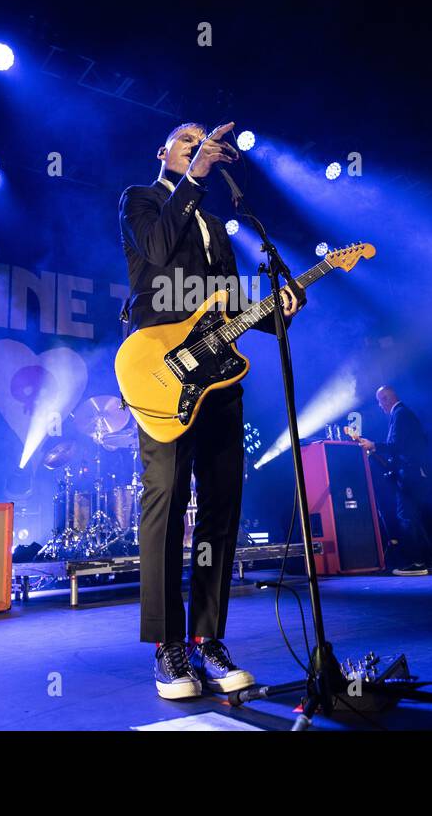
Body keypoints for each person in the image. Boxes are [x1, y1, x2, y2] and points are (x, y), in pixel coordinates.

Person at [119, 120, 303, 699]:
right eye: (186, 140)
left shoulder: (219, 227)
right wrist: (193, 179)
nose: (198, 148)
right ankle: (167, 646)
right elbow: (155, 250)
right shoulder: (142, 200)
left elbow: (227, 306)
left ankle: (207, 638)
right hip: (161, 369)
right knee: (166, 503)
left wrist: (280, 311)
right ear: (163, 152)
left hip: (219, 379)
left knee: (221, 509)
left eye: (204, 142)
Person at [356, 385, 432, 576]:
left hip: (410, 473)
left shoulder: (400, 414)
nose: (379, 406)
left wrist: (373, 445)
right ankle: (430, 560)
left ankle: (417, 563)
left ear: (386, 399)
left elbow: (396, 445)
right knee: (413, 517)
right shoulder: (404, 413)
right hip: (416, 472)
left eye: (379, 401)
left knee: (405, 516)